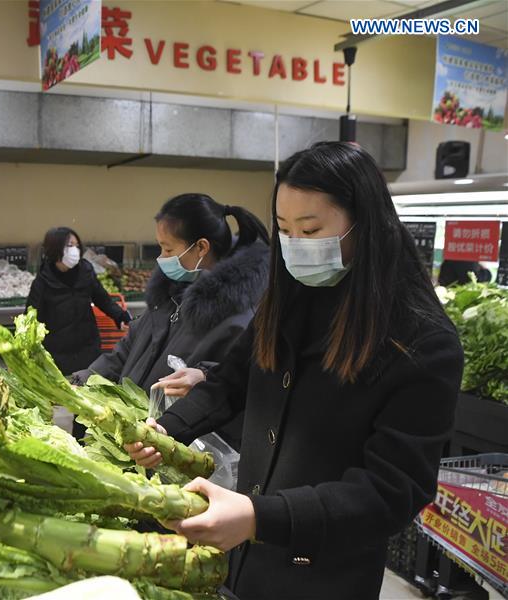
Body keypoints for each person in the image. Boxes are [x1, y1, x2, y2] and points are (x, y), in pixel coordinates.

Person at [125, 142, 463, 599]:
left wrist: (258, 517)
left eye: (311, 230)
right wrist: (164, 430)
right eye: (284, 230)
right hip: (243, 561)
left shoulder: (421, 342)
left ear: (367, 225)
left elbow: (391, 490)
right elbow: (230, 383)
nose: (295, 246)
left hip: (322, 573)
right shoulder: (287, 301)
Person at [72, 193, 269, 449]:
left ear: (201, 247)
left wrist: (203, 376)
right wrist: (78, 382)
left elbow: (230, 386)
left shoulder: (239, 316)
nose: (162, 258)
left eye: (168, 249)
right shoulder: (169, 296)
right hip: (138, 440)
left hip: (175, 446)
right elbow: (125, 353)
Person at [26, 225, 131, 382]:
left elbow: (102, 298)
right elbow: (31, 318)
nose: (74, 250)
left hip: (88, 347)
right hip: (57, 353)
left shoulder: (85, 271)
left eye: (76, 245)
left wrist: (120, 316)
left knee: (90, 389)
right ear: (55, 248)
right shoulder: (42, 282)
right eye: (69, 245)